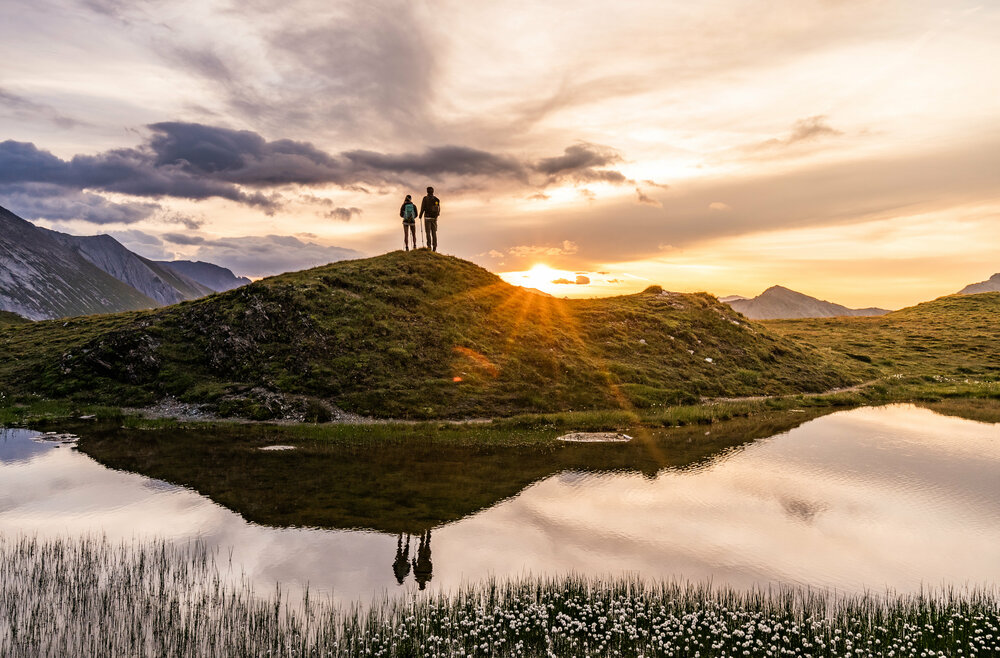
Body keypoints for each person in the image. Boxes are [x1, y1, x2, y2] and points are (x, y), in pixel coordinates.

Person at [418, 186, 440, 252]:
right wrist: (436, 216)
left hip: (427, 218)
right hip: (434, 218)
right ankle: (435, 247)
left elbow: (422, 208)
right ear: (433, 191)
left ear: (427, 191)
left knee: (428, 232)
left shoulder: (425, 198)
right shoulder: (436, 199)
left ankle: (429, 246)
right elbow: (438, 210)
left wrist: (420, 215)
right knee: (434, 233)